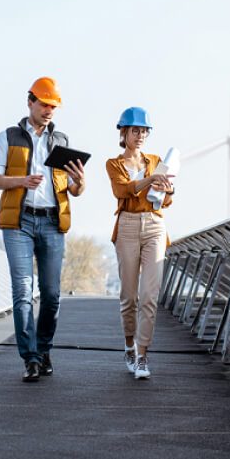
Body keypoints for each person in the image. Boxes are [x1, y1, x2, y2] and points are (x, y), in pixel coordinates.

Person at [0, 76, 86, 382]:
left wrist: (80, 182)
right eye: (44, 104)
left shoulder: (62, 142)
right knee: (23, 292)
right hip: (19, 222)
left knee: (53, 294)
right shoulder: (9, 137)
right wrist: (21, 181)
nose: (49, 110)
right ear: (30, 102)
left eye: (53, 105)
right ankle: (29, 358)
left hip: (52, 222)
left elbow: (73, 189)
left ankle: (43, 350)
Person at [104, 107, 173, 379]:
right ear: (124, 133)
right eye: (135, 130)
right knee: (129, 297)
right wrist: (149, 180)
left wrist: (167, 190)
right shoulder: (114, 164)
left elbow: (166, 200)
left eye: (144, 130)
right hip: (128, 226)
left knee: (149, 297)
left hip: (155, 224)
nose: (141, 135)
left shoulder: (156, 161)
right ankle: (129, 344)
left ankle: (143, 355)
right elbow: (121, 190)